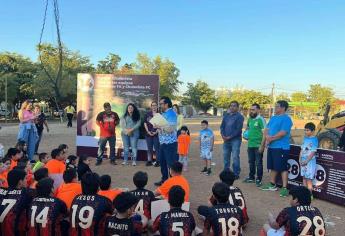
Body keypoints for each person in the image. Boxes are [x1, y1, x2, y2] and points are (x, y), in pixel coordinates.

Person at [261, 100, 293, 198]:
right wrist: (266, 140)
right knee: (273, 166)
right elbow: (267, 129)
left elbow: (283, 132)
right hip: (272, 146)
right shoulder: (273, 118)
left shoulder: (287, 119)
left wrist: (271, 139)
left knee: (283, 167)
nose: (275, 107)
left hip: (281, 147)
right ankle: (272, 184)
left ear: (283, 108)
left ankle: (284, 188)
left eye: (277, 106)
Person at [0, 169, 33, 236]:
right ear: (20, 182)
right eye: (25, 178)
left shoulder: (1, 191)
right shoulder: (26, 193)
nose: (27, 181)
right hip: (15, 231)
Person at [154, 96, 178, 186]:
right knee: (163, 163)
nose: (160, 105)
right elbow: (163, 127)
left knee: (170, 164)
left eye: (161, 104)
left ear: (166, 104)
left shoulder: (172, 114)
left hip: (170, 144)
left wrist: (160, 127)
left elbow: (170, 129)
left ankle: (173, 182)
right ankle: (164, 180)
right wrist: (157, 127)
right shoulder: (163, 114)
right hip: (163, 143)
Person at [243, 103, 266, 187]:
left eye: (253, 109)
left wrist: (262, 146)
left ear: (258, 110)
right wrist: (245, 134)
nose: (251, 111)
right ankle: (251, 177)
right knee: (251, 162)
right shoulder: (250, 119)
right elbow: (247, 128)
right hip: (250, 145)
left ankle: (259, 179)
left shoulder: (261, 119)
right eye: (250, 109)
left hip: (258, 145)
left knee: (259, 163)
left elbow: (265, 134)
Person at [220, 101, 244, 179]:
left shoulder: (240, 117)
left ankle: (236, 173)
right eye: (231, 106)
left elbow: (238, 129)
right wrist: (223, 135)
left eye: (234, 106)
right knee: (226, 156)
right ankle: (226, 172)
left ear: (237, 107)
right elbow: (222, 126)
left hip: (235, 140)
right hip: (226, 140)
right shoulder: (226, 115)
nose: (232, 107)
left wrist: (230, 137)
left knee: (235, 156)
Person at [299, 122, 318, 199]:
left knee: (309, 179)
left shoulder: (314, 139)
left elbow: (313, 152)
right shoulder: (305, 138)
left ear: (313, 131)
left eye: (308, 130)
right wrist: (299, 158)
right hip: (303, 161)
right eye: (305, 130)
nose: (306, 132)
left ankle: (310, 195)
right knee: (303, 177)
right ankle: (304, 194)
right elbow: (302, 150)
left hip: (310, 162)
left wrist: (306, 161)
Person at [144, 101, 160, 167]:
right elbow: (145, 123)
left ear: (157, 106)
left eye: (155, 105)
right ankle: (149, 161)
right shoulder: (147, 114)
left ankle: (157, 161)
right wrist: (148, 131)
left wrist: (156, 132)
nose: (154, 106)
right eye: (152, 105)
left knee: (157, 148)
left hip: (156, 134)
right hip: (148, 134)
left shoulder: (159, 115)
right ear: (151, 107)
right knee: (149, 148)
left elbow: (161, 125)